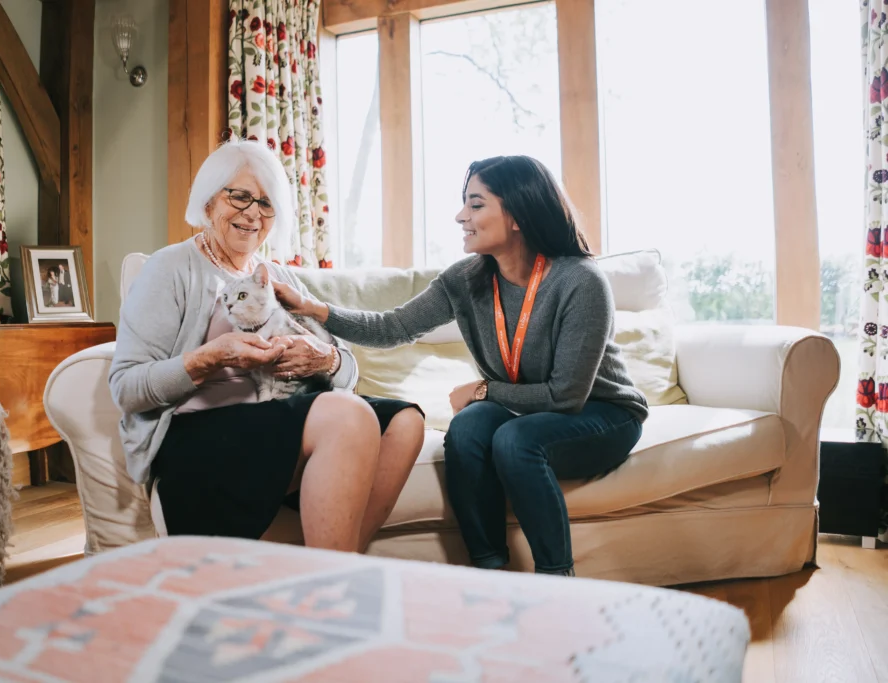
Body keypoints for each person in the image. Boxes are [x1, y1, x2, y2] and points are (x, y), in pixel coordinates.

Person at [275, 155, 649, 576]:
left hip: (602, 414)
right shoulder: (466, 279)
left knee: (514, 439)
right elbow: (393, 327)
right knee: (469, 427)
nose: (460, 216)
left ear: (517, 215)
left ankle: (556, 579)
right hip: (531, 408)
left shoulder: (580, 281)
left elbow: (565, 396)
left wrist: (483, 391)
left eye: (475, 204)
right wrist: (316, 309)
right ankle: (488, 571)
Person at [109, 137, 425, 552]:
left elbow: (347, 372)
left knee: (404, 422)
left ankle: (334, 564)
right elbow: (127, 389)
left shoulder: (279, 277)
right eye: (239, 197)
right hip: (200, 433)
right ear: (208, 203)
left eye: (265, 202)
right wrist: (211, 357)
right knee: (346, 414)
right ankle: (332, 580)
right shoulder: (170, 267)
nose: (252, 213)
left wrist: (324, 359)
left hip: (275, 416)